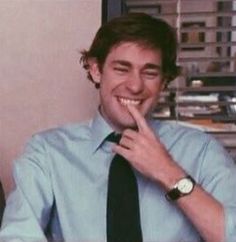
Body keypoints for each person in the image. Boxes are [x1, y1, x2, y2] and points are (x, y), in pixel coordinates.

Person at [0, 12, 236, 242]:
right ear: (96, 70)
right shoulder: (47, 153)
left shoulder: (202, 151)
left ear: (164, 81)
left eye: (150, 72)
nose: (135, 86)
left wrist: (168, 171)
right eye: (122, 69)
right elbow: (18, 234)